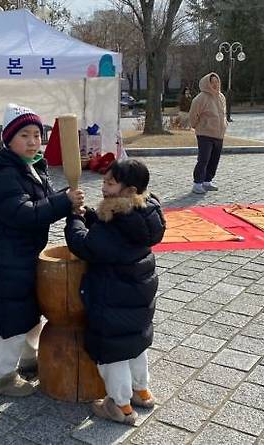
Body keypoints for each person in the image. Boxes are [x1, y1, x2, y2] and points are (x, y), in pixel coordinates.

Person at [0, 103, 85, 397]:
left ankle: (27, 360)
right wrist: (63, 201)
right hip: (7, 261)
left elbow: (45, 203)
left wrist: (70, 203)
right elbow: (24, 214)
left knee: (28, 314)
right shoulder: (4, 176)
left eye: (37, 134)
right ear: (8, 140)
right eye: (24, 135)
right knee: (10, 323)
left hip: (24, 258)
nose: (33, 141)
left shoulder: (32, 168)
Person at [64, 159, 165, 425]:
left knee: (113, 354)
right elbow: (110, 232)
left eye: (110, 183)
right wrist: (90, 216)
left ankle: (119, 406)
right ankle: (141, 392)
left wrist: (74, 219)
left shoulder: (117, 221)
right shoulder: (142, 214)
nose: (103, 187)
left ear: (129, 190)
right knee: (134, 345)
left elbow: (85, 245)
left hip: (112, 298)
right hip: (136, 301)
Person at [189, 72, 227, 195]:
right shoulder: (201, 98)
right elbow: (193, 115)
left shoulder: (221, 97)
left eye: (217, 82)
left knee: (214, 159)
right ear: (207, 83)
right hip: (205, 134)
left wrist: (225, 124)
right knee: (203, 159)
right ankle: (197, 183)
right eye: (212, 82)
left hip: (219, 134)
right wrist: (196, 126)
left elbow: (223, 114)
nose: (215, 84)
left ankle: (207, 181)